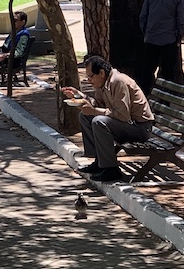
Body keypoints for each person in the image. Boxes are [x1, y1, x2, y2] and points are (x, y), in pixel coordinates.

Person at [63, 55, 154, 183]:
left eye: (91, 76)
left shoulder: (118, 82)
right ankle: (99, 162)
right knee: (85, 116)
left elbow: (122, 116)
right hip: (125, 125)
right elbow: (98, 104)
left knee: (99, 121)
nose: (89, 80)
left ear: (101, 72)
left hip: (140, 128)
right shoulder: (103, 83)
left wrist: (94, 111)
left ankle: (111, 169)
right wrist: (79, 96)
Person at [139, 0, 184, 93]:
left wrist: (146, 32)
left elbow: (143, 16)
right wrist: (178, 38)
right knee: (167, 74)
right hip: (169, 40)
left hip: (151, 38)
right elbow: (181, 20)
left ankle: (144, 99)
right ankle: (165, 102)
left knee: (147, 71)